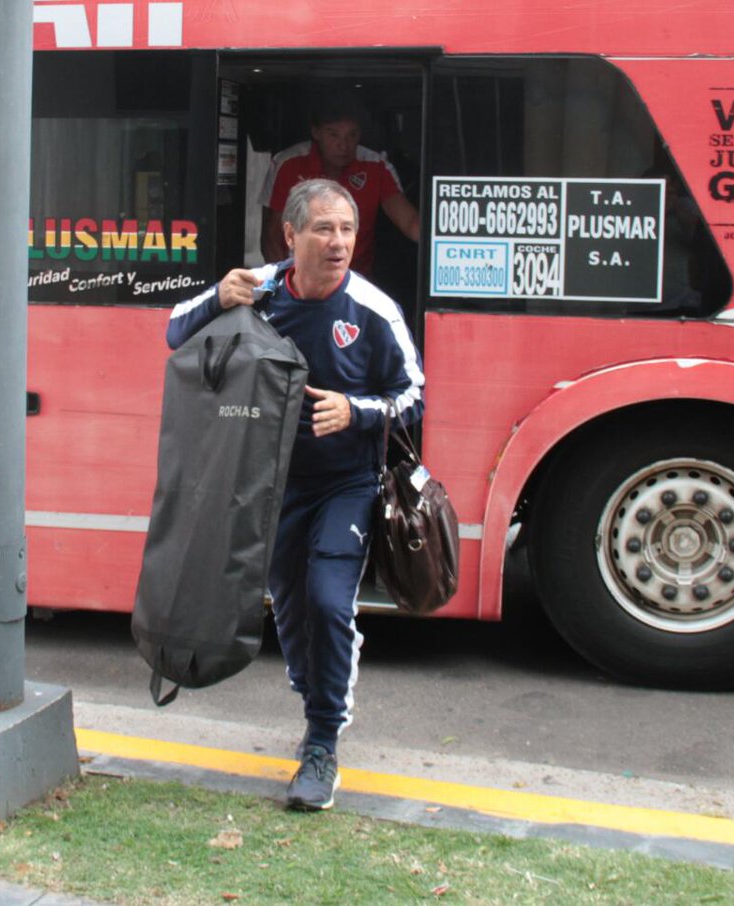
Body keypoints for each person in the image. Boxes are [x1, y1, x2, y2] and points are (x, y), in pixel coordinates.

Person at [167, 178, 424, 810]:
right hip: (269, 483)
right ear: (291, 235)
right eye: (324, 229)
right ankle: (314, 696)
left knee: (328, 601)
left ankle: (322, 741)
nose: (338, 243)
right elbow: (174, 333)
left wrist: (357, 410)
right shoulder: (257, 290)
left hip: (348, 484)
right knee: (287, 603)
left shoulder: (372, 310)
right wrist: (213, 303)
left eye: (348, 230)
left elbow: (414, 396)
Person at [258, 95, 419, 278]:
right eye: (333, 134)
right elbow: (272, 237)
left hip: (357, 281)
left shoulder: (376, 166)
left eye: (352, 135)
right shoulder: (288, 163)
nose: (344, 145)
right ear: (316, 132)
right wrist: (285, 285)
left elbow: (410, 222)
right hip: (300, 281)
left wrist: (449, 248)